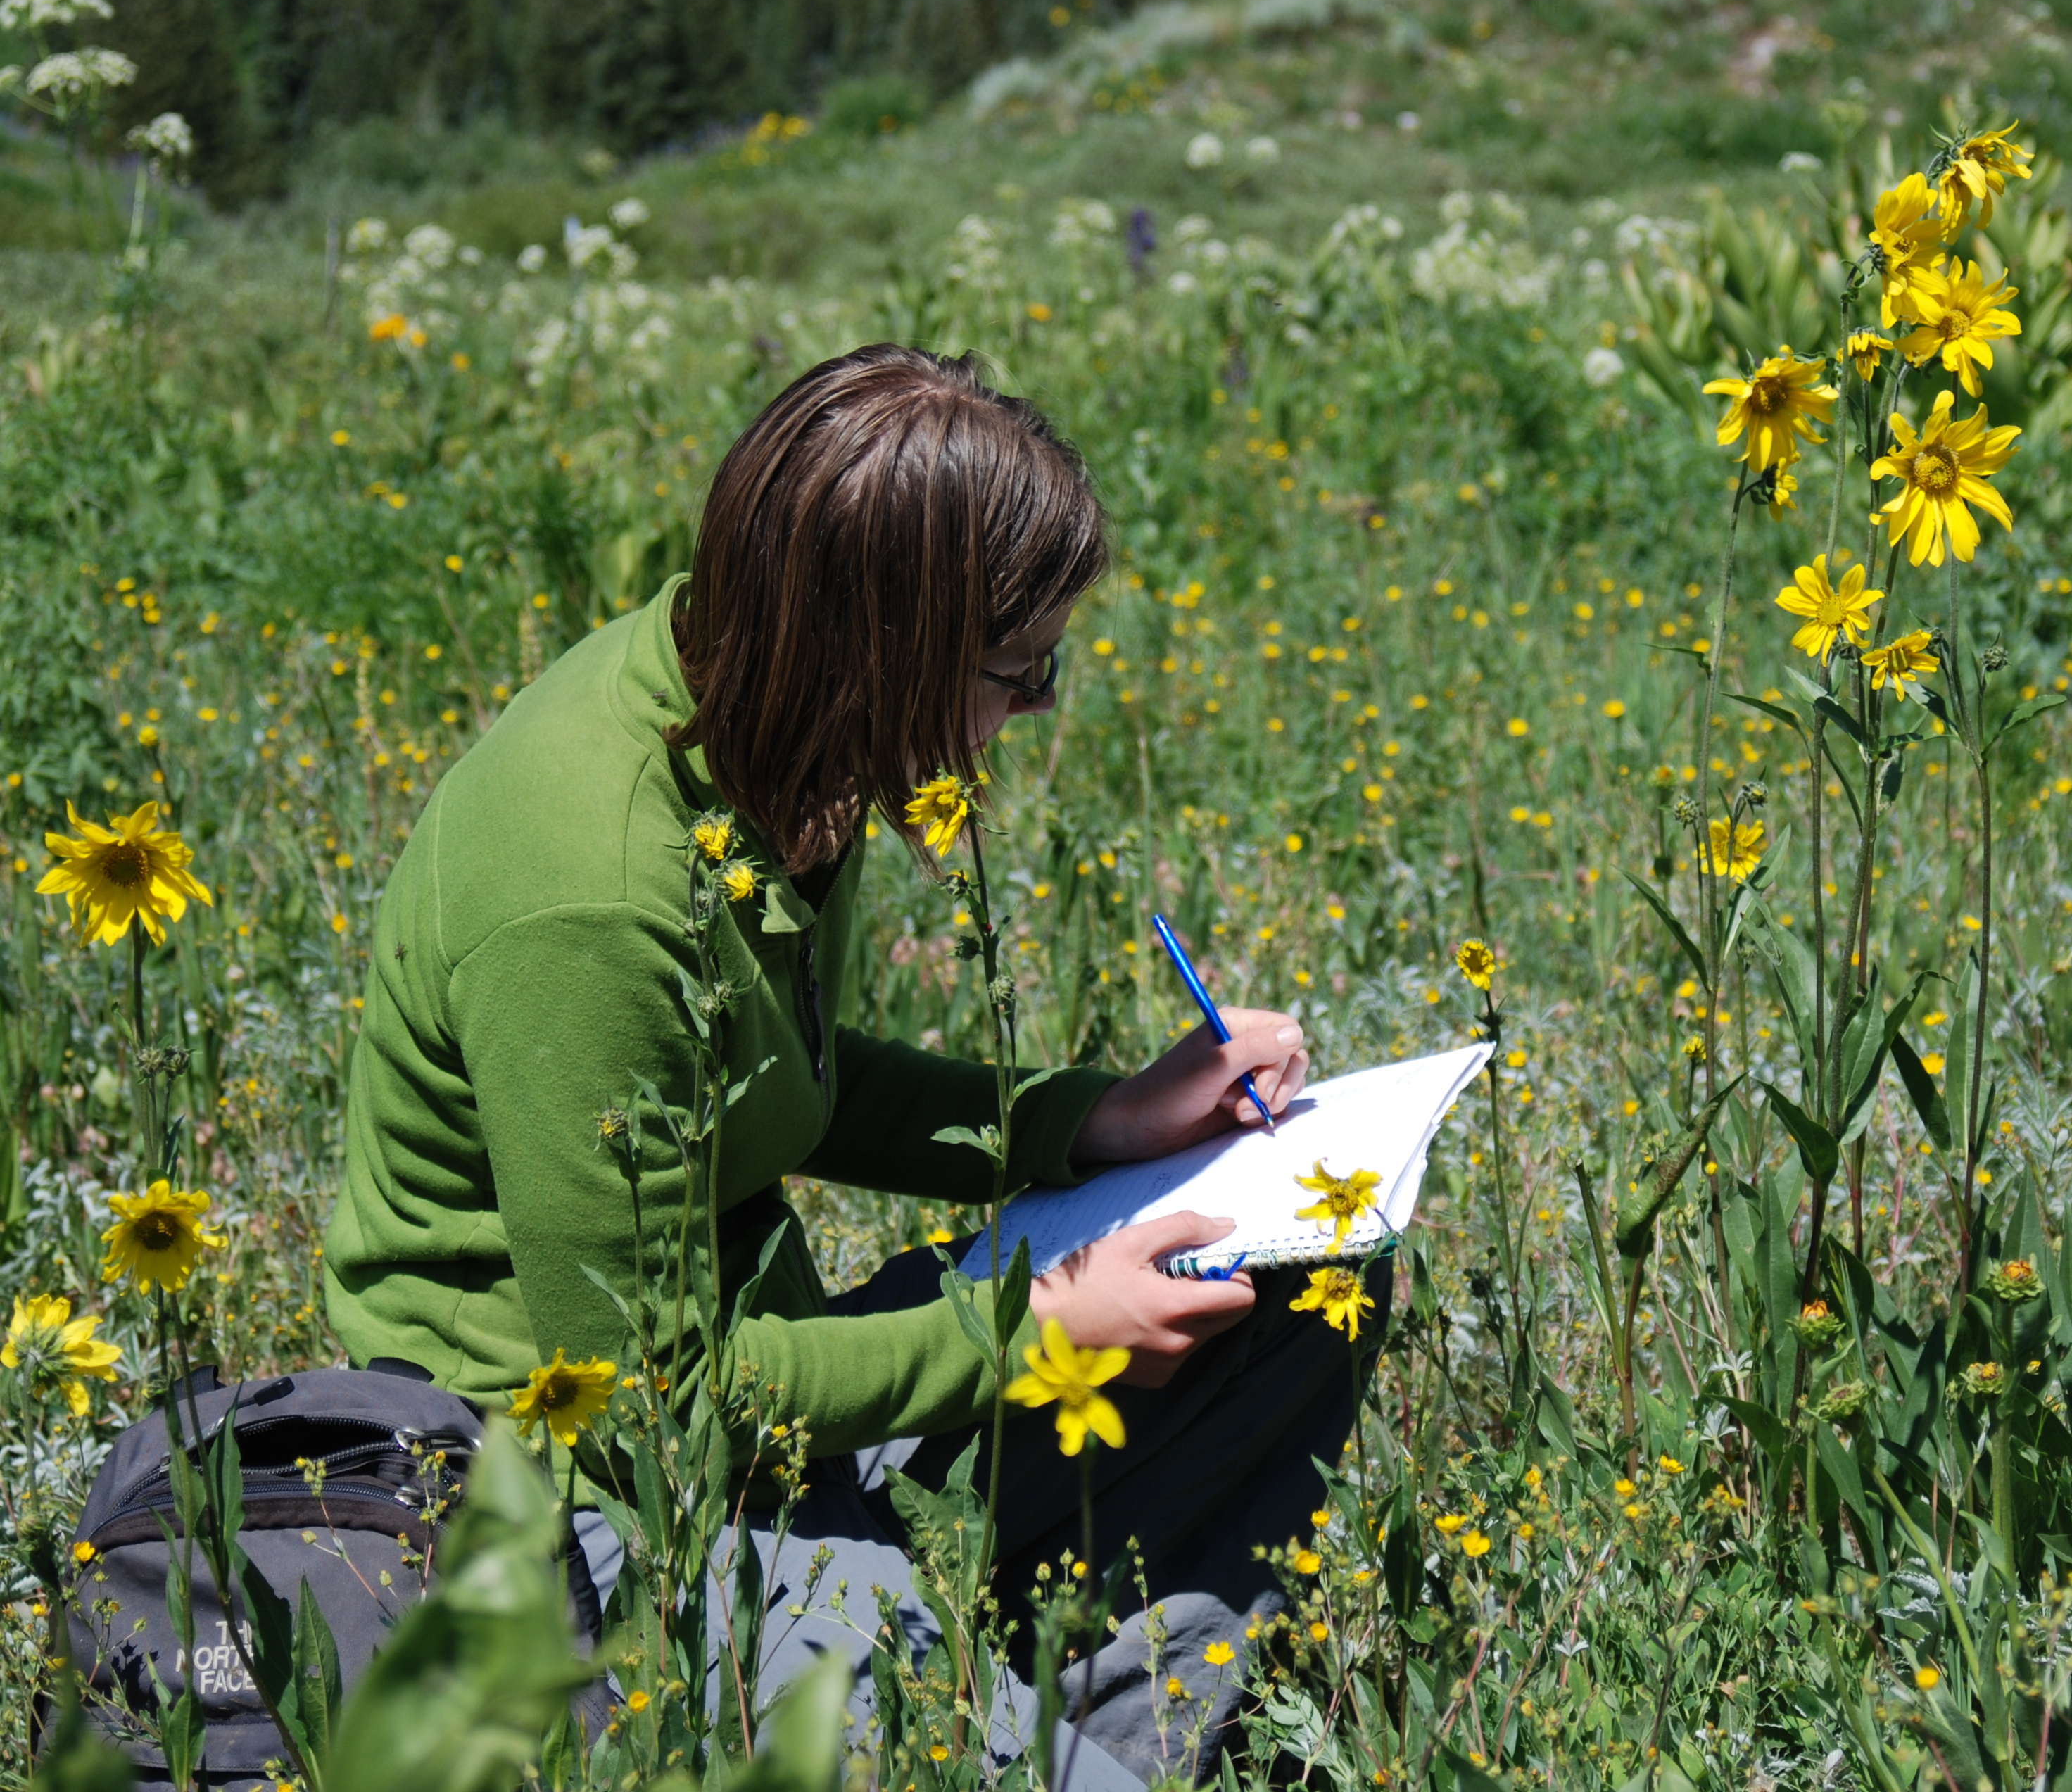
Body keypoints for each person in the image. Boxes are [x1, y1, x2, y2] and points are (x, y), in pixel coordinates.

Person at [323, 345, 1384, 1786]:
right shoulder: (596, 893)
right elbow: (651, 1401)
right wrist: (1039, 1328)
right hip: (579, 1487)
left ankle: (1097, 1726)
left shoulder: (767, 744)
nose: (1032, 713)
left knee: (1294, 1283)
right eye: (1017, 675)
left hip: (771, 1394)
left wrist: (1097, 1122)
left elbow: (791, 1087)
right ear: (878, 650)